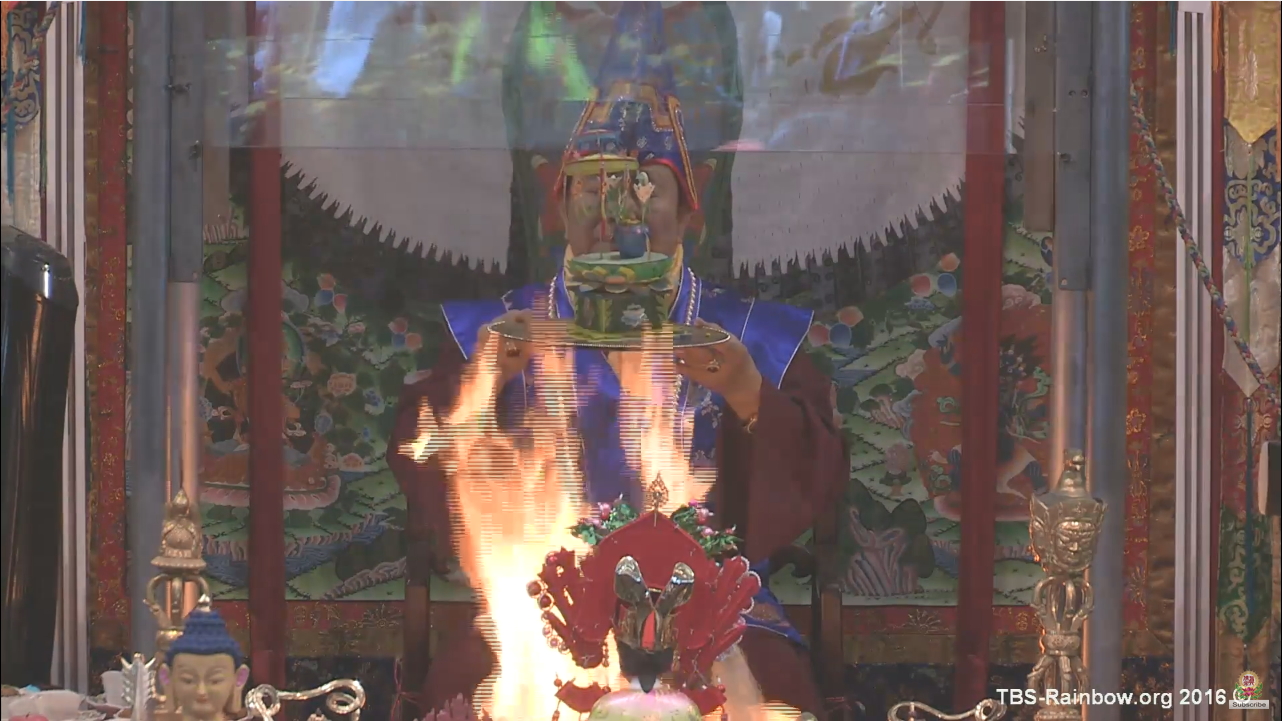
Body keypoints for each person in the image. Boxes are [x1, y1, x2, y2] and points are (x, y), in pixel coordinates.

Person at [389, 4, 847, 716]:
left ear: (689, 207)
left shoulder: (745, 335)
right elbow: (426, 468)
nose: (616, 213)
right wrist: (486, 381)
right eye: (592, 187)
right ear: (559, 203)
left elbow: (814, 478)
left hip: (713, 605)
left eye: (643, 187)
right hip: (542, 598)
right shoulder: (500, 331)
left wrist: (749, 394)